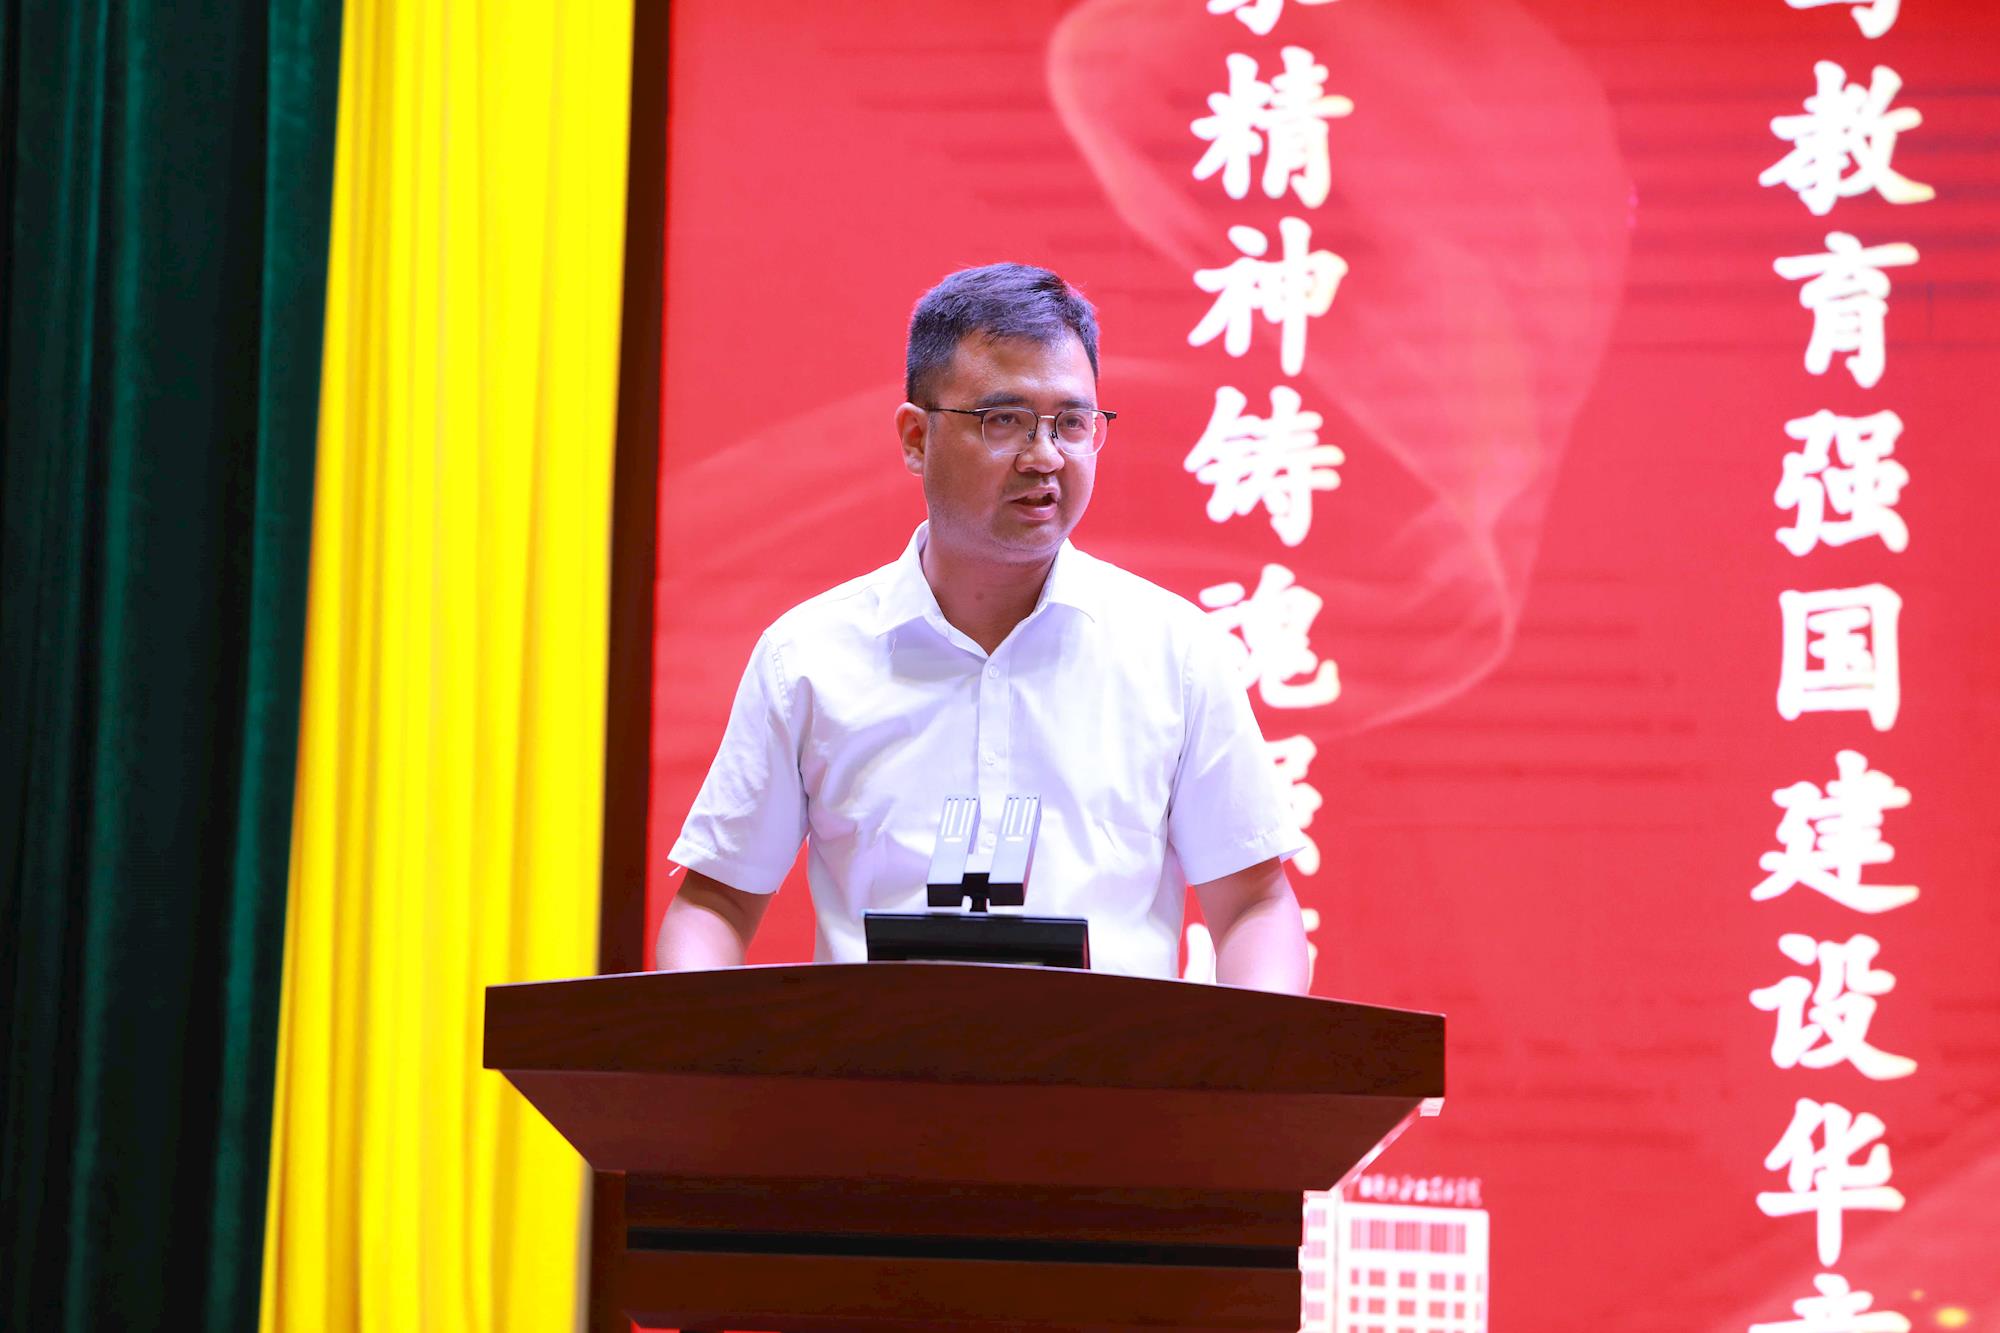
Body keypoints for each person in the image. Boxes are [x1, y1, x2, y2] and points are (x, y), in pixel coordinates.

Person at [655, 262, 1311, 991]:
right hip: (874, 1065)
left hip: (1114, 1067)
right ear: (916, 437)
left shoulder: (1175, 653)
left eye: (1072, 423)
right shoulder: (807, 657)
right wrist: (703, 1053)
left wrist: (1253, 1058)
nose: (1045, 456)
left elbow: (1254, 904)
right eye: (1005, 420)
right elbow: (715, 904)